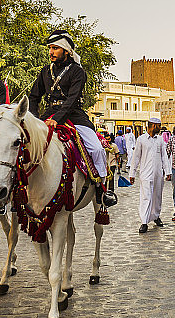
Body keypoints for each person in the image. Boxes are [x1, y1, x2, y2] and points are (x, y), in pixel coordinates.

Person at [28, 30, 116, 206]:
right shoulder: (45, 71)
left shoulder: (77, 72)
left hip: (74, 116)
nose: (51, 52)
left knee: (96, 149)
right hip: (48, 115)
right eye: (50, 48)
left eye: (55, 48)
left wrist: (57, 119)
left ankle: (101, 187)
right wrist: (34, 120)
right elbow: (33, 97)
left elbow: (72, 100)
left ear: (66, 51)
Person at [129, 116, 171, 233]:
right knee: (146, 197)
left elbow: (164, 156)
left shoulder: (160, 140)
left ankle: (156, 216)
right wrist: (132, 173)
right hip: (145, 174)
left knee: (157, 196)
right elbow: (136, 157)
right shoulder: (141, 139)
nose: (160, 128)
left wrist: (168, 171)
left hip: (158, 173)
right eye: (159, 126)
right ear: (153, 126)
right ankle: (144, 221)